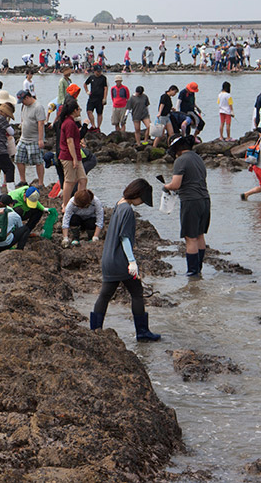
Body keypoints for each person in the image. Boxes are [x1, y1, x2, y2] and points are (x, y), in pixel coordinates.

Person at [90, 178, 159, 341]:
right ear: (138, 194)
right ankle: (142, 332)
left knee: (105, 295)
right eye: (143, 199)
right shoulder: (127, 210)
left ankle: (94, 331)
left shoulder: (119, 204)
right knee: (137, 293)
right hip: (120, 261)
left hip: (108, 259)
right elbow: (125, 238)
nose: (142, 203)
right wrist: (132, 262)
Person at [165, 136, 211, 277]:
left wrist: (166, 186)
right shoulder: (198, 158)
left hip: (191, 201)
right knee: (199, 235)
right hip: (205, 199)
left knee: (190, 238)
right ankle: (198, 268)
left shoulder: (181, 160)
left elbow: (176, 184)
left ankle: (192, 273)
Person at [15, 89, 48, 186]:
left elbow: (41, 123)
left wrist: (40, 139)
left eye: (23, 101)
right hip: (23, 138)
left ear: (28, 97)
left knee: (38, 161)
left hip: (34, 138)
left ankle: (41, 183)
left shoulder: (38, 107)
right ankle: (23, 180)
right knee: (18, 159)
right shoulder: (24, 106)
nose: (23, 103)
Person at [57, 99, 86, 204]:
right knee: (69, 181)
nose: (80, 111)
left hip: (76, 155)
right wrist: (74, 158)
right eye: (79, 109)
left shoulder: (71, 122)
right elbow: (69, 141)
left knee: (83, 179)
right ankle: (65, 205)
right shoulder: (69, 123)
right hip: (68, 156)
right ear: (74, 110)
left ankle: (79, 202)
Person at [84, 66, 108, 130]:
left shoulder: (103, 78)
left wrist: (104, 98)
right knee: (89, 111)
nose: (99, 72)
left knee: (99, 113)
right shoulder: (91, 77)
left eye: (100, 71)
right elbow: (85, 84)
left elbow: (105, 88)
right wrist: (87, 91)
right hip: (92, 98)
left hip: (100, 98)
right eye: (98, 71)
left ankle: (98, 127)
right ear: (94, 71)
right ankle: (93, 125)